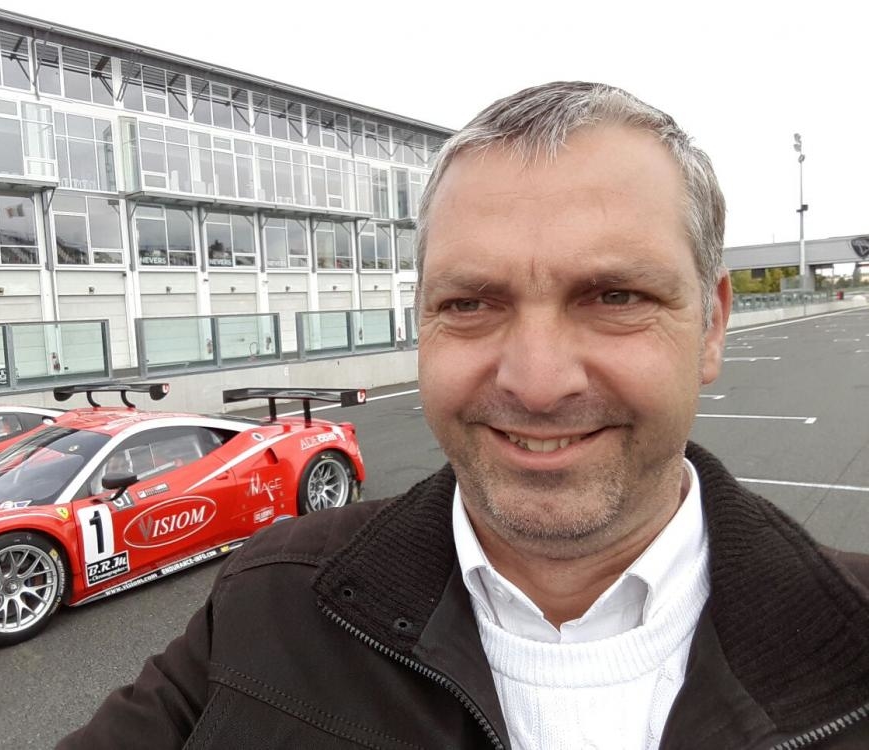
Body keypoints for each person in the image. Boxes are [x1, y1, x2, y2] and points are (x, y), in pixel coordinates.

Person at [58, 82, 869, 749]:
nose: (538, 384)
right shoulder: (270, 598)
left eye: (616, 296)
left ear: (712, 325)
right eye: (471, 303)